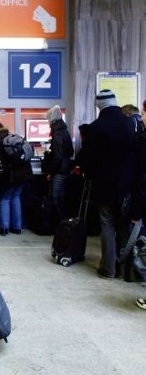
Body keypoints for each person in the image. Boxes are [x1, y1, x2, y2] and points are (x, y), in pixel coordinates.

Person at [82, 90, 135, 279]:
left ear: (99, 106)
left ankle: (108, 268)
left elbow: (87, 159)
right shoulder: (129, 123)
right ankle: (126, 269)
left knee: (107, 226)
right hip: (127, 185)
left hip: (104, 186)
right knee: (124, 227)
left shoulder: (96, 127)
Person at [0, 122, 33, 236]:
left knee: (5, 198)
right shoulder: (11, 136)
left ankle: (4, 228)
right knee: (16, 197)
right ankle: (17, 227)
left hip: (12, 174)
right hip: (25, 172)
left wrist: (2, 165)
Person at [41, 105, 74, 221]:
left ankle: (61, 226)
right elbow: (70, 151)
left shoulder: (57, 135)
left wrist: (51, 172)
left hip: (59, 171)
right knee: (61, 198)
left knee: (55, 199)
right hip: (66, 168)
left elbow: (57, 158)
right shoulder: (65, 131)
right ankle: (64, 225)